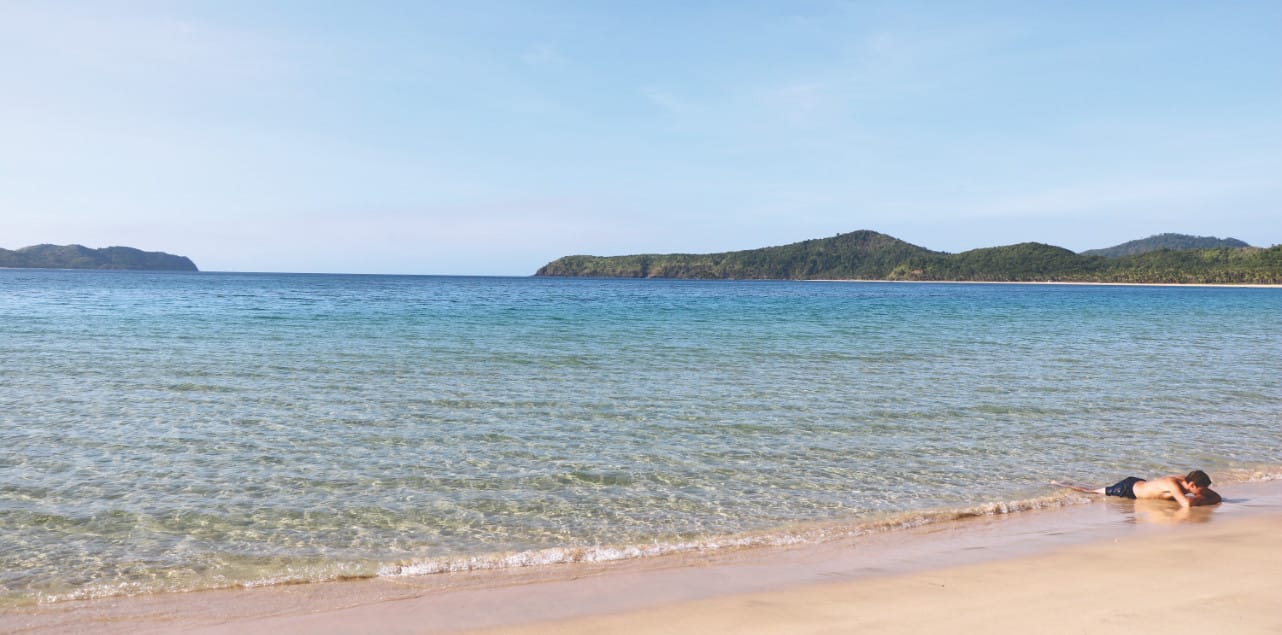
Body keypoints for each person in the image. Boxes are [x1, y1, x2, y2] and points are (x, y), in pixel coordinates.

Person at [1060, 470, 1222, 509]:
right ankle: (1063, 484)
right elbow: (1186, 504)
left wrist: (1206, 497)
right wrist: (1206, 499)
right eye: (1201, 489)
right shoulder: (1173, 484)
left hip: (1140, 484)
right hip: (1128, 489)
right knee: (1092, 491)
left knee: (1095, 489)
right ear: (1192, 485)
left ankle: (1067, 483)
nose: (1203, 492)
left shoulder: (1187, 482)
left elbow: (1216, 497)